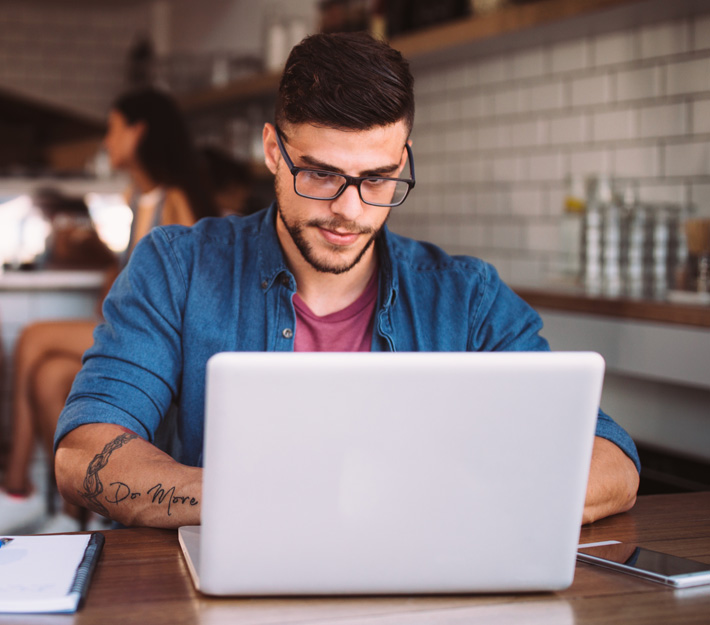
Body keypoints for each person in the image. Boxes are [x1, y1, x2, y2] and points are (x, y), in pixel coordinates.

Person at [54, 32, 640, 530]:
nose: (350, 210)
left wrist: (437, 504)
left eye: (379, 178)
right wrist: (267, 503)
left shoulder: (466, 297)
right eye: (320, 174)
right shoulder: (179, 267)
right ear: (273, 153)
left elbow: (612, 461)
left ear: (404, 158)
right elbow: (84, 453)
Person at [0, 86, 217, 535]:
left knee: (33, 337)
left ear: (139, 132)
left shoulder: (174, 198)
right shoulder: (136, 197)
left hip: (158, 335)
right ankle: (76, 513)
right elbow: (123, 276)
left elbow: (178, 291)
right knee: (48, 376)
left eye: (113, 129)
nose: (106, 141)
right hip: (128, 322)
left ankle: (16, 485)